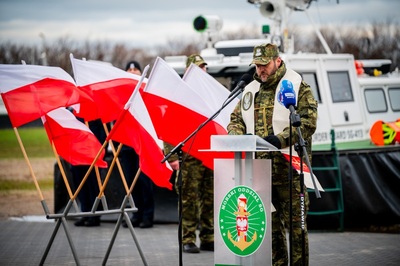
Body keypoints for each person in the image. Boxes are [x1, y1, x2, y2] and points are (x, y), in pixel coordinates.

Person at [227, 43, 318, 265]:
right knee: (270, 230)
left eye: (264, 65)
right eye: (256, 66)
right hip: (260, 172)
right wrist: (236, 136)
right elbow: (236, 119)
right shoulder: (250, 89)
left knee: (297, 230)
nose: (260, 70)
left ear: (277, 60)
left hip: (289, 172)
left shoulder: (297, 87)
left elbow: (307, 122)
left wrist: (280, 139)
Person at [164, 54, 214, 253]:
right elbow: (168, 127)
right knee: (189, 199)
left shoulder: (211, 93)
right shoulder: (179, 95)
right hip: (189, 156)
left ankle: (209, 237)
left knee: (210, 196)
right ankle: (188, 238)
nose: (202, 71)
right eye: (198, 68)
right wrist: (173, 157)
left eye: (204, 68)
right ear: (188, 71)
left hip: (209, 154)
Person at [120, 60, 155, 229]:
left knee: (144, 180)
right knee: (130, 180)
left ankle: (148, 215)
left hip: (143, 143)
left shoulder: (146, 90)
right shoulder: (122, 92)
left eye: (136, 68)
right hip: (127, 144)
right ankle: (137, 213)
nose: (133, 71)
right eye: (130, 68)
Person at [72, 118, 106, 227]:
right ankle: (85, 212)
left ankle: (95, 214)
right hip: (77, 149)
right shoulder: (73, 110)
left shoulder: (94, 108)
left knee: (93, 182)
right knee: (80, 181)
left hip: (92, 149)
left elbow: (102, 129)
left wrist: (100, 148)